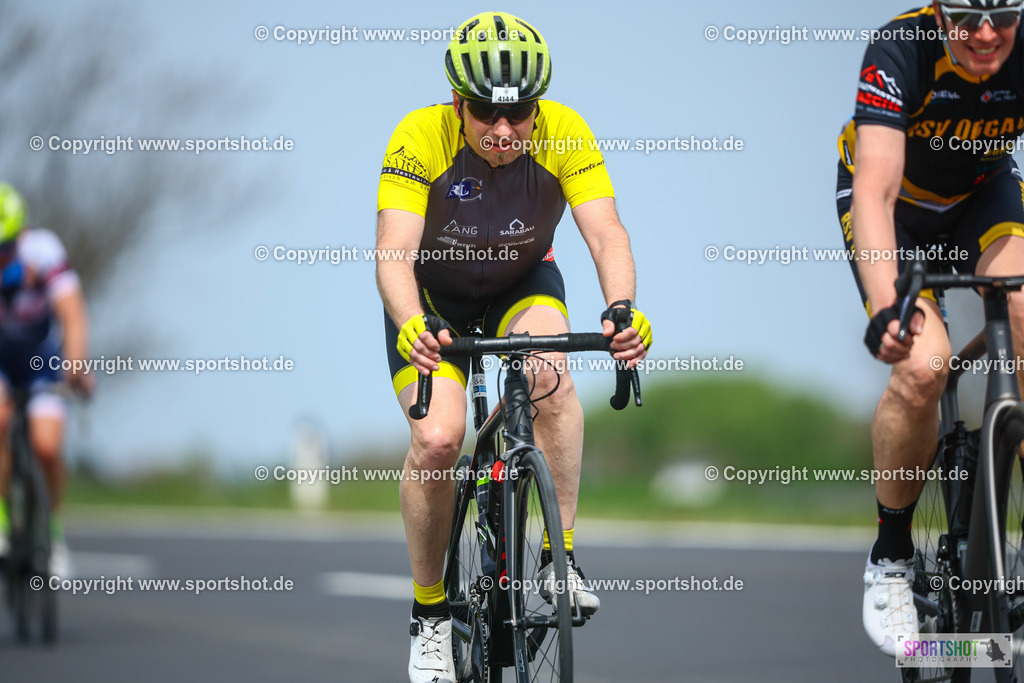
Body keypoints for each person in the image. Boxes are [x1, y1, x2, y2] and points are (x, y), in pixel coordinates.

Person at [376, 11, 652, 682]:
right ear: (456, 103)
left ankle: (561, 561)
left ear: (538, 106)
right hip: (432, 299)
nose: (504, 131)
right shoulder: (420, 136)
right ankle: (431, 615)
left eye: (520, 113)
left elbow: (607, 232)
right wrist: (413, 322)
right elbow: (392, 253)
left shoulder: (565, 130)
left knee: (549, 375)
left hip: (520, 283)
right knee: (439, 439)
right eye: (484, 114)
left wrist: (622, 308)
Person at [836, 0, 1024, 657]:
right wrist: (890, 309)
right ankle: (890, 558)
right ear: (940, 15)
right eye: (966, 16)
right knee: (921, 366)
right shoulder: (901, 50)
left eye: (1001, 13)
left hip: (983, 192)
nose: (984, 33)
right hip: (898, 209)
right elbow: (876, 194)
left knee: (1023, 309)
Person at [0, 183, 94, 578]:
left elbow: (72, 313)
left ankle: (53, 532)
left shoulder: (45, 251)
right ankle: (4, 521)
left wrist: (76, 365)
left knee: (47, 444)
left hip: (42, 361)